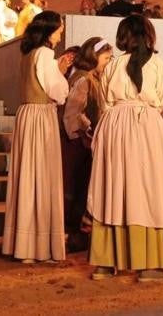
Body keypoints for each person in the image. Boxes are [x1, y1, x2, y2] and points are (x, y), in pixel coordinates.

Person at [86, 15, 163, 283]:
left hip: (115, 126)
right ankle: (149, 263)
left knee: (114, 187)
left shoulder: (113, 65)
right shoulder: (158, 65)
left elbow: (105, 102)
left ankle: (106, 263)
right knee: (150, 190)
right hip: (147, 128)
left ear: (123, 37)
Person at [2, 11, 69, 264]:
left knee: (28, 175)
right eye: (59, 29)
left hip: (26, 114)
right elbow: (58, 92)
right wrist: (62, 70)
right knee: (41, 175)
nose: (61, 33)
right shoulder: (45, 54)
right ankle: (38, 245)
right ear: (50, 31)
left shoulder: (28, 55)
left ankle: (24, 242)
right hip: (41, 116)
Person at [61, 36, 112, 252]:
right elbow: (72, 112)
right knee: (74, 187)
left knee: (81, 188)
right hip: (77, 144)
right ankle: (70, 234)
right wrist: (87, 131)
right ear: (94, 56)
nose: (109, 62)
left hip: (82, 143)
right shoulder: (84, 79)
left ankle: (76, 233)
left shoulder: (92, 79)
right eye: (106, 58)